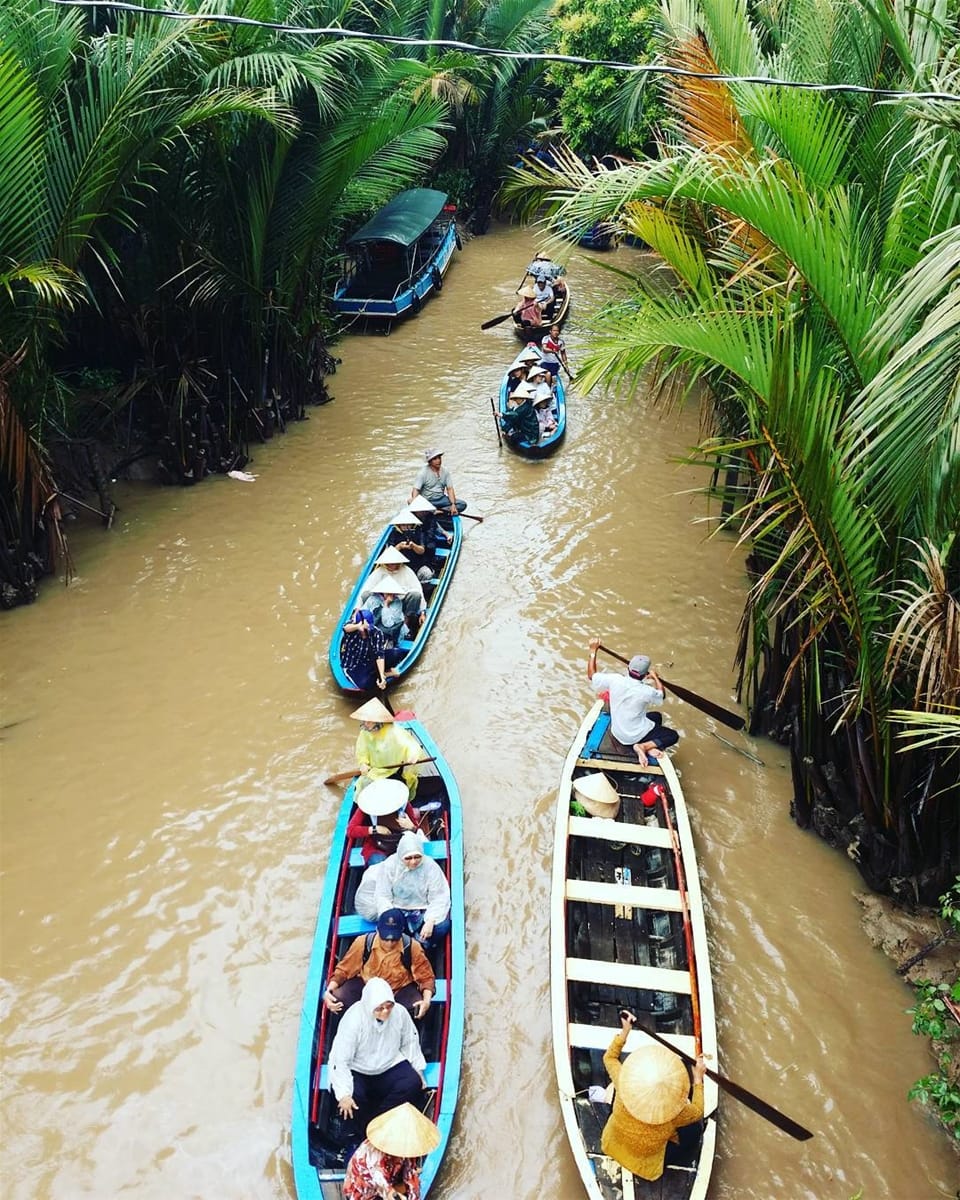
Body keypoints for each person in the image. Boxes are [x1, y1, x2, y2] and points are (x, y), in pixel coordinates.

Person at [600, 1009, 705, 1181]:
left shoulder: (622, 1081)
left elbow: (609, 1058)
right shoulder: (677, 1114)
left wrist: (625, 1031)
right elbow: (698, 1111)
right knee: (694, 1130)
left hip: (612, 1144)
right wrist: (698, 1078)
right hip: (645, 1165)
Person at [328, 978, 427, 1137]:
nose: (386, 1012)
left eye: (389, 1006)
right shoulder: (354, 1020)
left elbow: (410, 1041)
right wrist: (344, 1094)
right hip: (359, 1069)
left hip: (389, 1064)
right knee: (353, 1099)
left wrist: (418, 1070)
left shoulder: (400, 1013)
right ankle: (364, 1131)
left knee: (412, 1083)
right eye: (379, 1008)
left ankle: (380, 1120)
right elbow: (340, 1060)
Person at [323, 907, 436, 1019]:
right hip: (366, 988)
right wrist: (329, 990)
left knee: (417, 1006)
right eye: (385, 939)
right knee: (337, 997)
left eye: (394, 939)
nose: (389, 943)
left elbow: (426, 978)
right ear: (377, 930)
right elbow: (343, 970)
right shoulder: (362, 942)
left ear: (401, 932)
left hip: (397, 991)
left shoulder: (413, 947)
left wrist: (426, 1001)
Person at [587, 639, 679, 766]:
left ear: (628, 668)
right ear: (644, 674)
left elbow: (592, 675)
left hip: (617, 732)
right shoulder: (647, 691)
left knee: (656, 716)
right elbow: (661, 696)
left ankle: (649, 746)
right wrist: (655, 678)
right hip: (633, 737)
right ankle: (644, 747)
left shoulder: (615, 680)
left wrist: (593, 651)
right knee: (672, 735)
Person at [342, 1102, 440, 1200]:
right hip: (363, 1191)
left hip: (390, 1178)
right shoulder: (375, 1159)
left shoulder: (407, 1147)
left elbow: (410, 1177)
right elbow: (387, 1191)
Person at [375, 831, 450, 949]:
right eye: (408, 858)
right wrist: (390, 917)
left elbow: (439, 896)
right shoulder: (390, 866)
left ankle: (421, 943)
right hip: (398, 909)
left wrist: (430, 920)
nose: (413, 862)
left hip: (422, 909)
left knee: (442, 925)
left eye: (417, 857)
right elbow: (382, 895)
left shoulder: (430, 866)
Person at [350, 698, 422, 800]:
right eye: (364, 721)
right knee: (363, 793)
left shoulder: (394, 732)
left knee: (398, 795)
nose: (366, 724)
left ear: (378, 722)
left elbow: (411, 746)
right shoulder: (365, 733)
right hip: (374, 772)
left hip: (393, 771)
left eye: (369, 721)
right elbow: (362, 751)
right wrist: (363, 763)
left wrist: (412, 756)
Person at [347, 777, 421, 865]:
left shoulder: (403, 803)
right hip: (377, 846)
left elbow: (416, 831)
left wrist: (411, 827)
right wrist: (374, 829)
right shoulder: (366, 806)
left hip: (402, 843)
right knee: (380, 865)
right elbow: (350, 830)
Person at [360, 547, 426, 641]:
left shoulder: (407, 571)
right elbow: (365, 590)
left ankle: (406, 627)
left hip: (401, 602)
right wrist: (357, 610)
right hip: (381, 602)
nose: (393, 565)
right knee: (366, 595)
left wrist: (423, 612)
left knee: (415, 595)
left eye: (395, 563)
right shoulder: (379, 573)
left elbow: (418, 589)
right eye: (390, 563)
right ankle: (372, 625)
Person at [340, 608, 398, 692]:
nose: (365, 631)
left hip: (369, 659)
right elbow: (345, 628)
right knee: (365, 684)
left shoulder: (377, 633)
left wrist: (381, 676)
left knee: (396, 654)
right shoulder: (352, 628)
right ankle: (388, 674)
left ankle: (382, 675)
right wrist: (358, 626)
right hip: (354, 665)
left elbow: (379, 655)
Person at [409, 449, 466, 516]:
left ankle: (439, 511)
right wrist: (414, 501)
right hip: (428, 501)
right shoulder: (422, 473)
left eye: (439, 458)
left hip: (441, 499)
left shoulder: (445, 471)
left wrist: (453, 504)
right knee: (410, 501)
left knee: (462, 504)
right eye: (435, 459)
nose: (438, 460)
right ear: (429, 462)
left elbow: (450, 489)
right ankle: (438, 511)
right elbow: (416, 489)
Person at [386, 510, 433, 583]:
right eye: (403, 525)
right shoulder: (394, 534)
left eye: (408, 525)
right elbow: (389, 554)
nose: (406, 527)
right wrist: (399, 546)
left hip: (417, 564)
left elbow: (422, 550)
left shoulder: (419, 531)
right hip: (400, 566)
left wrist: (413, 546)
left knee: (426, 573)